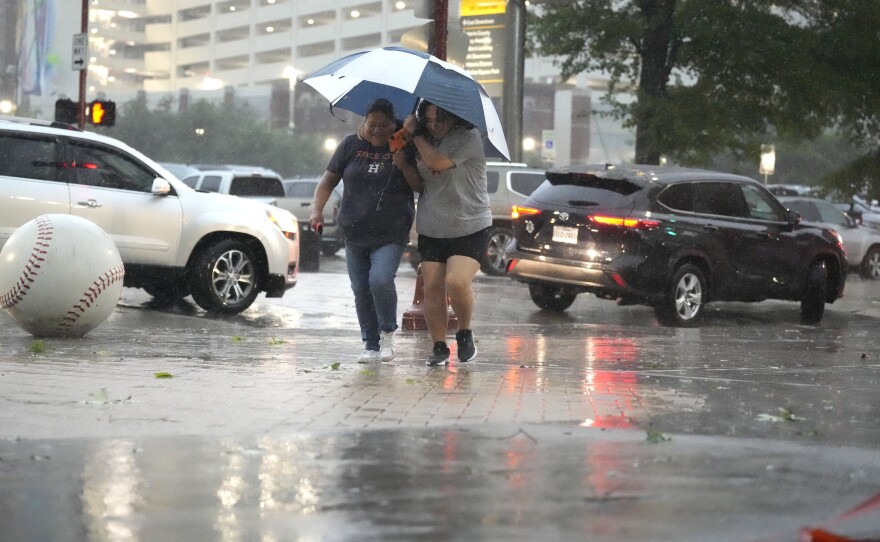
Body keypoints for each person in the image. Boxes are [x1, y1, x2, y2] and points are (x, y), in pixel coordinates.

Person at [309, 98, 415, 362]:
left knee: (379, 280)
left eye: (384, 125)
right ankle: (370, 343)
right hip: (355, 231)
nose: (377, 130)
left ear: (394, 124)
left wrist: (402, 160)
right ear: (363, 122)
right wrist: (316, 211)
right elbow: (327, 182)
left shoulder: (403, 144)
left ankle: (387, 333)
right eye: (372, 124)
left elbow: (419, 185)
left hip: (391, 231)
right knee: (360, 288)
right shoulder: (350, 145)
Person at [392, 100, 490, 366]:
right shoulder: (417, 140)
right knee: (432, 286)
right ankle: (438, 346)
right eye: (430, 120)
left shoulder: (468, 138)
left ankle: (465, 331)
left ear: (454, 119)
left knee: (456, 281)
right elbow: (418, 184)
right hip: (433, 225)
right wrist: (403, 163)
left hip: (470, 223)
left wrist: (417, 135)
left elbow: (436, 162)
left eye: (441, 121)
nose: (435, 126)